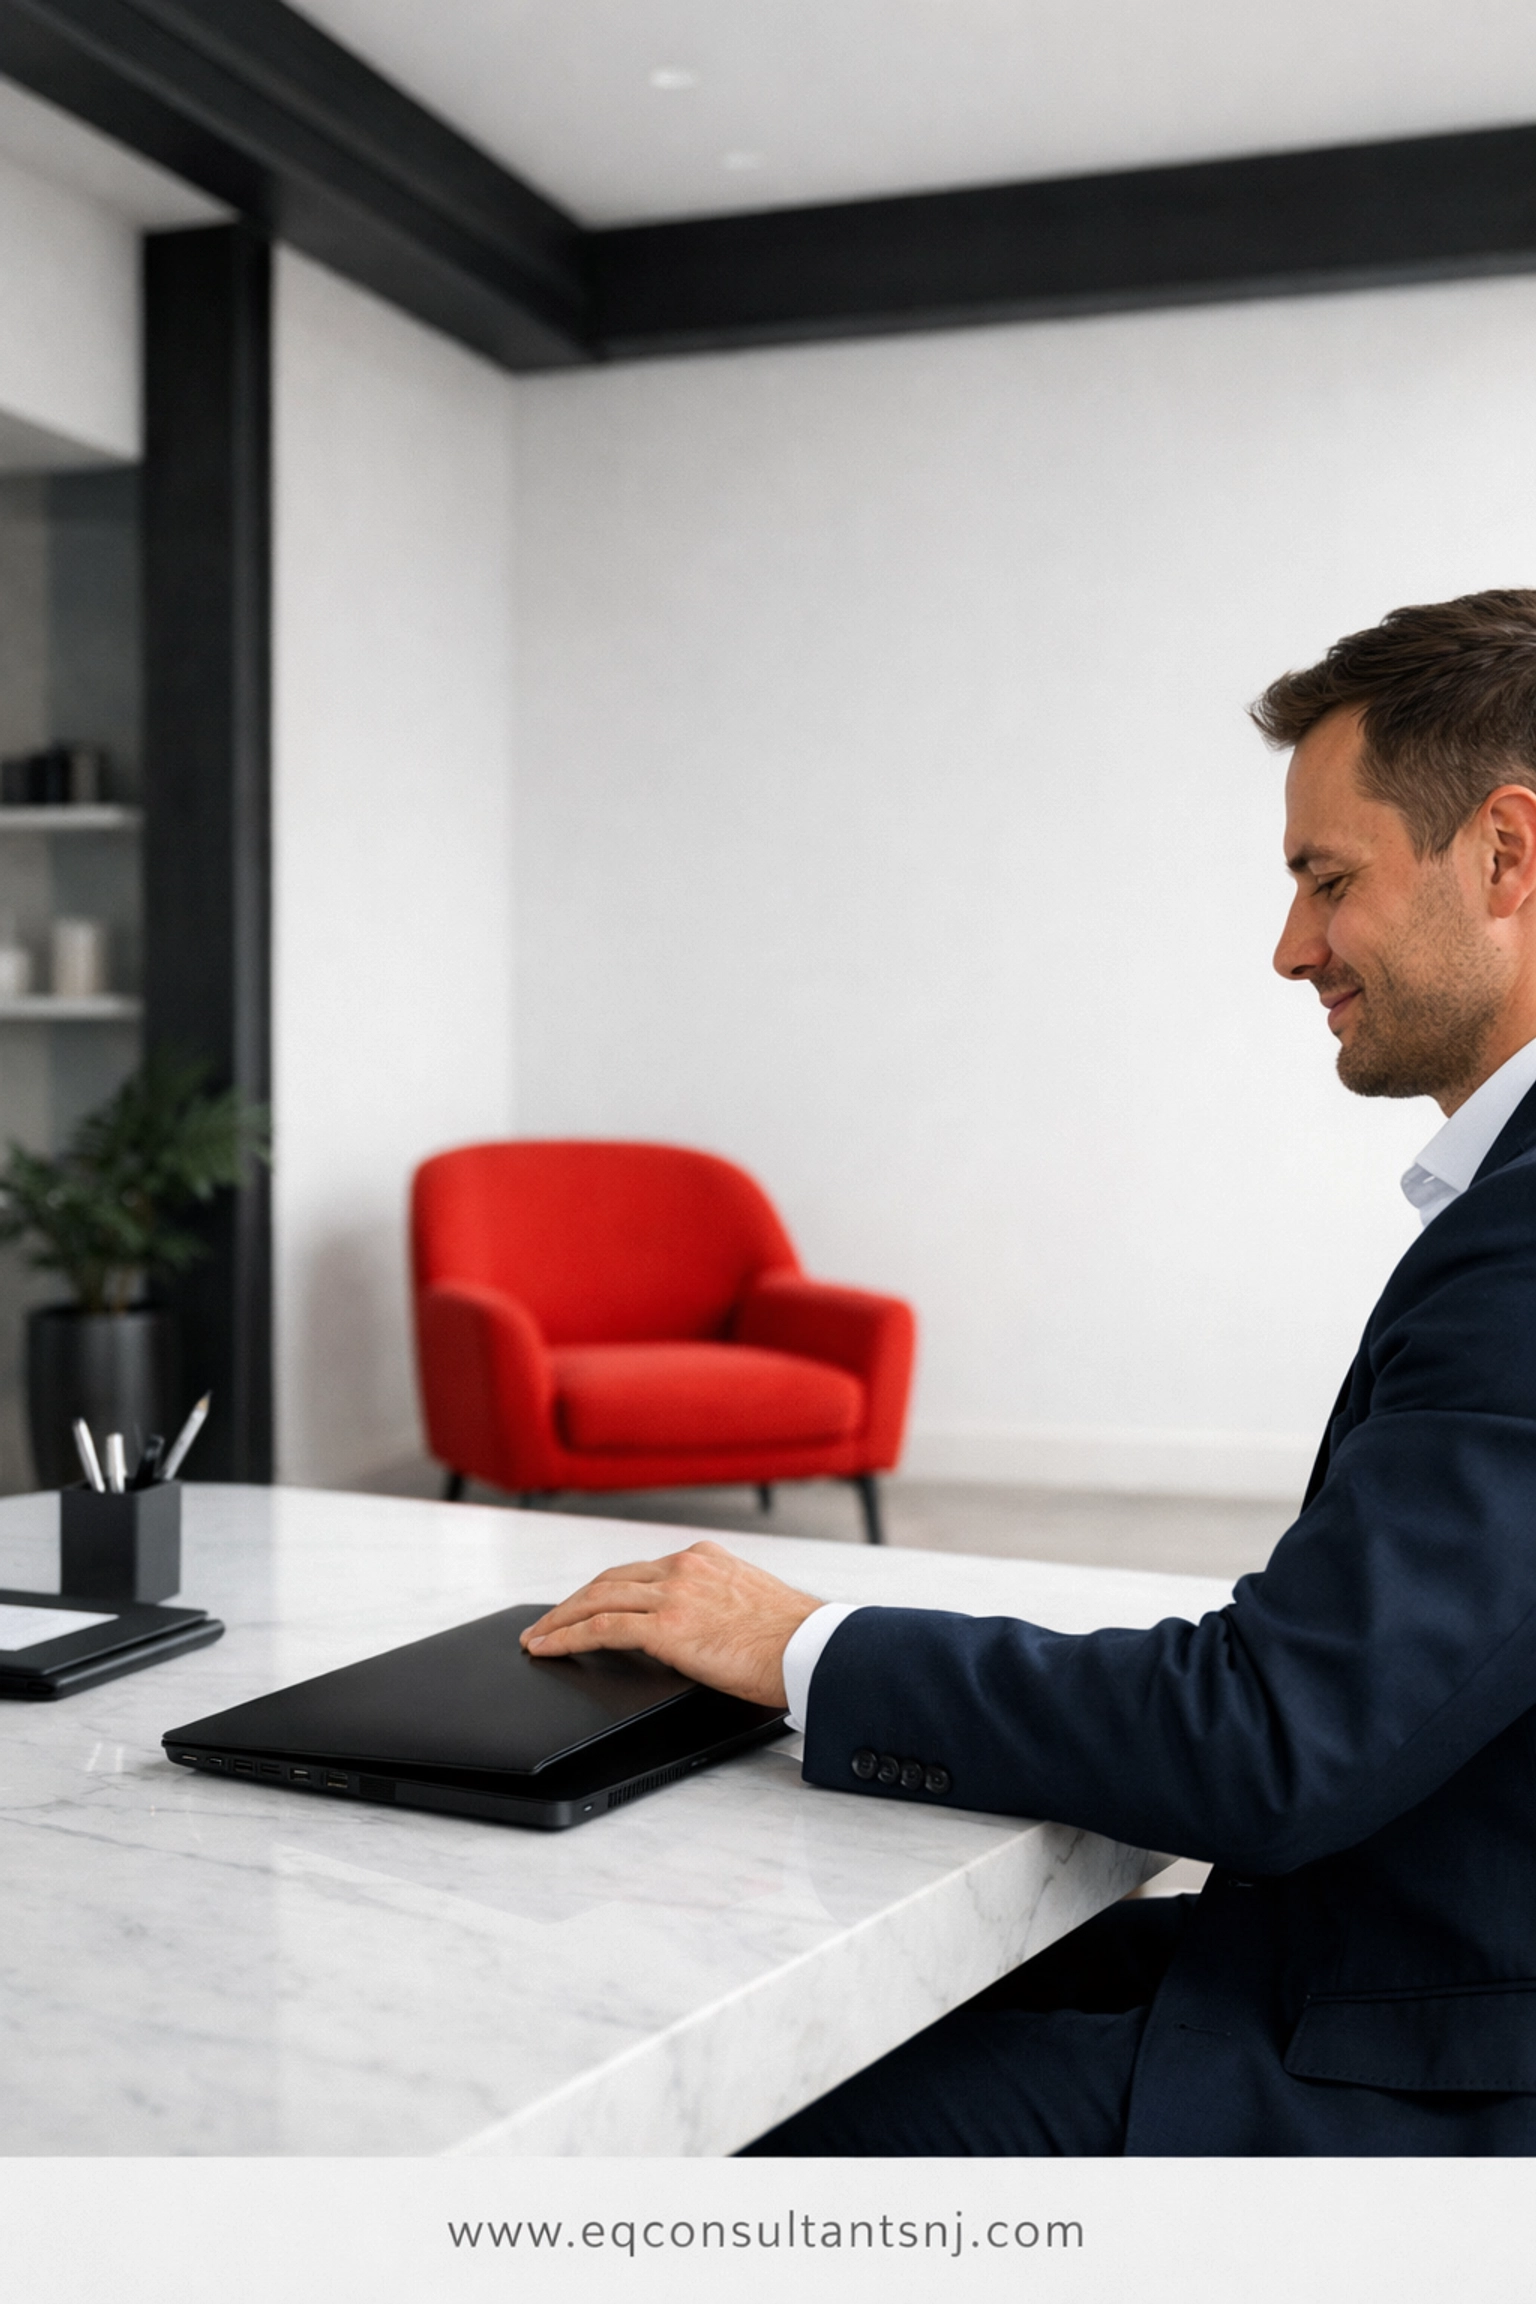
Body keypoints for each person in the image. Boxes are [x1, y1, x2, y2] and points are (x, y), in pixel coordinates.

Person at [521, 590, 1536, 2154]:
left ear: (1507, 854)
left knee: (708, 2137)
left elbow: (1272, 1740)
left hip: (1431, 2062)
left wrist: (803, 1642)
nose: (1288, 950)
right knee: (744, 2003)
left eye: (1326, 881)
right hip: (1391, 1950)